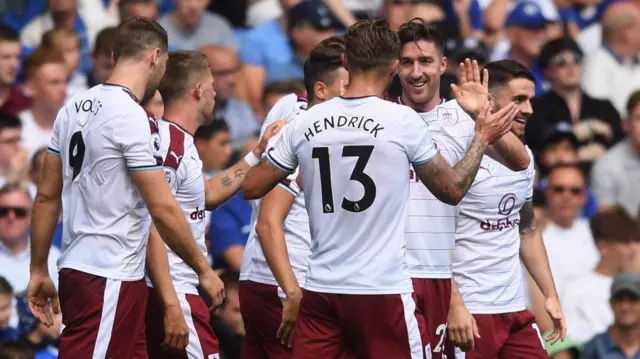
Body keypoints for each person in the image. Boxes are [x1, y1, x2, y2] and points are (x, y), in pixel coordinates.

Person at [241, 19, 517, 358]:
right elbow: (453, 188)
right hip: (381, 290)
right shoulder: (402, 122)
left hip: (321, 290)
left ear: (346, 62)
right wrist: (481, 139)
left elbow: (251, 187)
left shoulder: (307, 122)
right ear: (392, 67)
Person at [26, 17, 223, 359]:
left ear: (115, 54)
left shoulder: (71, 108)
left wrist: (39, 268)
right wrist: (203, 270)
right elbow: (161, 208)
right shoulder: (131, 117)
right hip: (108, 273)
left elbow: (45, 197)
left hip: (83, 266)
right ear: (155, 57)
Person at [393, 19, 531, 359]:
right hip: (394, 279)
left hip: (439, 279)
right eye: (407, 62)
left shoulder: (462, 115)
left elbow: (520, 161)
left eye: (425, 62)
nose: (415, 72)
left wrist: (478, 116)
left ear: (443, 65)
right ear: (395, 66)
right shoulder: (383, 117)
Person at [144, 49, 282, 359]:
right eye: (211, 84)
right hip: (174, 288)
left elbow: (205, 194)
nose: (216, 92)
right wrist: (197, 275)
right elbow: (152, 220)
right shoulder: (168, 147)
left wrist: (256, 153)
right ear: (197, 90)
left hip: (175, 287)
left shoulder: (181, 143)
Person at [239, 35, 348, 359]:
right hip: (286, 282)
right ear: (320, 89)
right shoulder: (306, 134)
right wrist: (292, 292)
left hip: (259, 277)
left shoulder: (288, 110)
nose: (354, 93)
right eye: (347, 83)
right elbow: (268, 223)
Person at [451, 60, 566, 358]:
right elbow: (428, 238)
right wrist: (454, 305)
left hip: (513, 309)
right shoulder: (458, 153)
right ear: (488, 100)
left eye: (530, 100)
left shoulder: (524, 158)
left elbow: (526, 229)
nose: (528, 110)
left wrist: (549, 294)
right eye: (518, 100)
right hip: (470, 313)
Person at [561, 207, 640, 343]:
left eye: (636, 241)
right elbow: (569, 340)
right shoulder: (577, 289)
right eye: (626, 242)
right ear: (603, 247)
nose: (634, 249)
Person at [582, 272, 640, 359]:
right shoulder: (592, 349)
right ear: (611, 304)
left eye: (632, 299)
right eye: (619, 299)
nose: (625, 307)